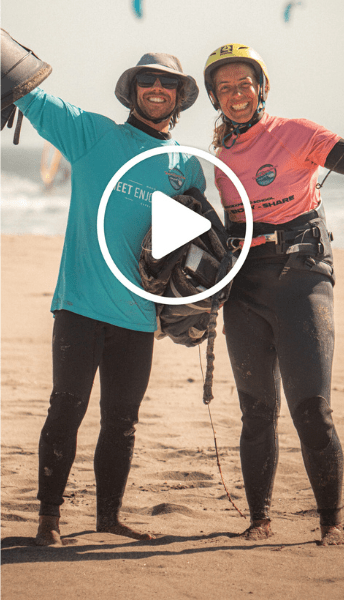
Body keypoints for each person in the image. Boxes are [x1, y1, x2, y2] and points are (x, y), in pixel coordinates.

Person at [13, 51, 205, 546]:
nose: (157, 88)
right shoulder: (92, 135)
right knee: (66, 409)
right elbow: (27, 91)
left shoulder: (187, 167)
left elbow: (194, 253)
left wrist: (191, 311)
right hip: (79, 307)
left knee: (122, 421)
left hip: (138, 318)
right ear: (133, 88)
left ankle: (108, 517)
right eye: (148, 80)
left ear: (180, 95)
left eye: (168, 82)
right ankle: (49, 518)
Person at [203, 43, 344, 546]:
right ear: (215, 99)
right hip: (246, 289)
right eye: (225, 88)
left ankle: (331, 523)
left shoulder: (295, 133)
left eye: (244, 83)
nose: (236, 94)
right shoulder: (220, 156)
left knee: (311, 407)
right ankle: (259, 519)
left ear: (261, 88)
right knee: (256, 410)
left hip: (300, 278)